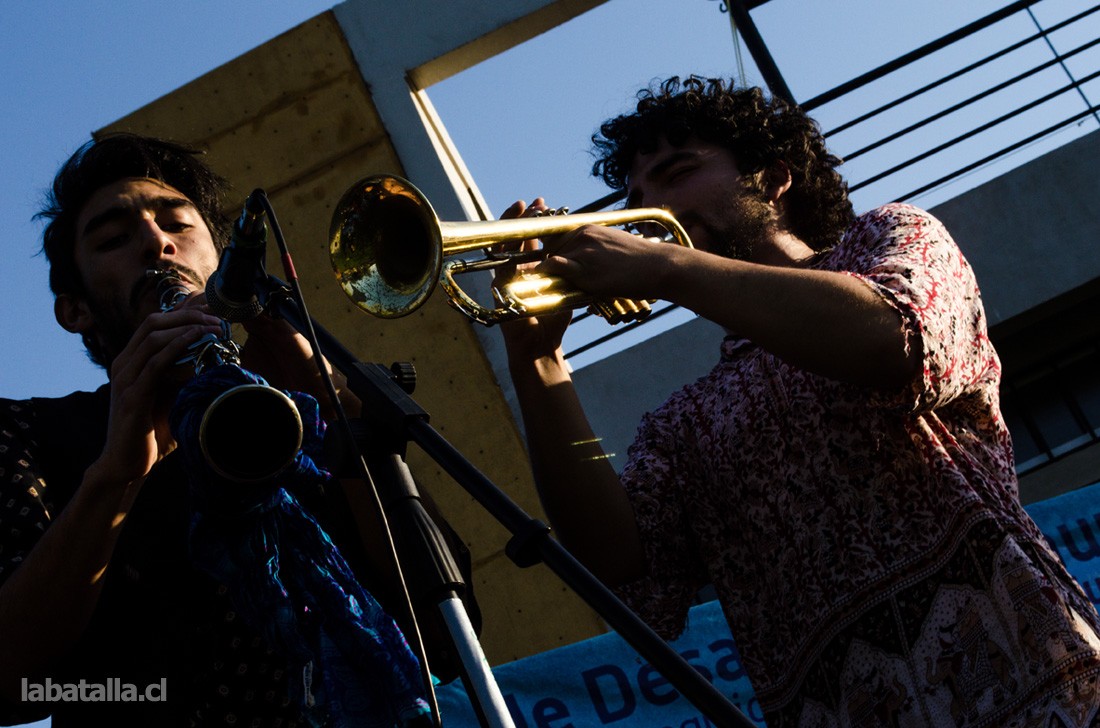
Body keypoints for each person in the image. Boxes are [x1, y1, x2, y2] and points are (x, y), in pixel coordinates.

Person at [499, 76, 1100, 726]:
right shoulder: (684, 422)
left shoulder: (892, 237)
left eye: (676, 174)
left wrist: (663, 268)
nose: (646, 212)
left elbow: (895, 341)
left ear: (774, 177)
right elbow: (618, 560)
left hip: (1044, 691)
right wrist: (537, 359)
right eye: (637, 197)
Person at [0, 133, 472, 727]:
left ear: (224, 264)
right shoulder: (27, 432)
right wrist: (115, 475)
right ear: (76, 309)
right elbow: (12, 687)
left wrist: (342, 416)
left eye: (178, 224)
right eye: (114, 239)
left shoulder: (303, 412)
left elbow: (449, 638)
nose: (156, 242)